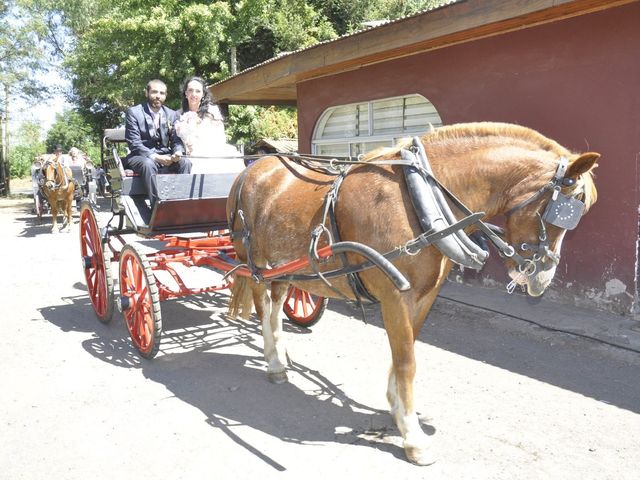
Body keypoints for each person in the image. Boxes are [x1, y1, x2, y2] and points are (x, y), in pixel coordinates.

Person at [123, 78, 191, 207]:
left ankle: (181, 204)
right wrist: (155, 157)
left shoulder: (172, 114)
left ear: (165, 95)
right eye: (154, 92)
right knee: (148, 164)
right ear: (146, 93)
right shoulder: (134, 112)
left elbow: (176, 140)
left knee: (185, 162)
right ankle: (158, 206)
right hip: (140, 156)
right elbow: (134, 143)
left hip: (165, 155)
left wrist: (177, 152)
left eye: (162, 93)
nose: (158, 96)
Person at [174, 76, 240, 172]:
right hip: (188, 154)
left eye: (198, 91)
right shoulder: (179, 114)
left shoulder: (212, 112)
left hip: (211, 151)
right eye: (190, 90)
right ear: (186, 93)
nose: (194, 94)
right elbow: (176, 140)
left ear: (203, 94)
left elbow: (220, 137)